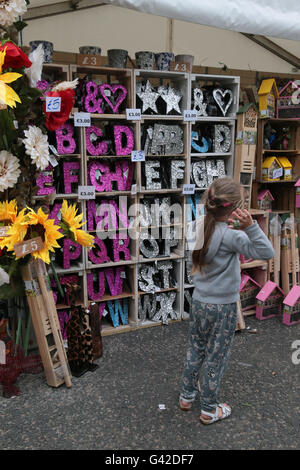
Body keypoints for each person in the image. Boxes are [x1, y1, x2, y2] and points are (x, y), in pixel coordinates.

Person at [179, 177, 274, 424]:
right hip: (223, 308)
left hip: (199, 301)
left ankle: (186, 396)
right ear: (234, 209)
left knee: (195, 349)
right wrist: (251, 226)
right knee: (216, 356)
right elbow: (267, 253)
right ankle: (209, 409)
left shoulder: (194, 226)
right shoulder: (233, 236)